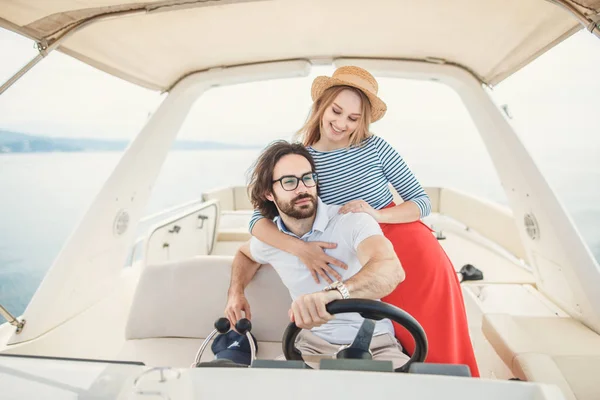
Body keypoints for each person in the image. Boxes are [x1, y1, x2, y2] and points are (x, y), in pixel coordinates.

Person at [247, 66, 480, 376]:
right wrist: (301, 250)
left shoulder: (376, 147)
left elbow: (421, 203)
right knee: (393, 335)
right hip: (356, 256)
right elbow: (257, 222)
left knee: (438, 336)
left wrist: (376, 213)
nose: (341, 123)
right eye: (337, 111)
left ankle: (456, 391)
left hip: (410, 251)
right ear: (322, 106)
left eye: (353, 118)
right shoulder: (301, 158)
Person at [225, 141, 409, 369]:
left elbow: (391, 269)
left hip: (376, 343)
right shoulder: (270, 241)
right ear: (268, 193)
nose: (302, 188)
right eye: (289, 181)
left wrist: (333, 293)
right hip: (309, 347)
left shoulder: (352, 222)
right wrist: (235, 293)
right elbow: (246, 254)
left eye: (307, 178)